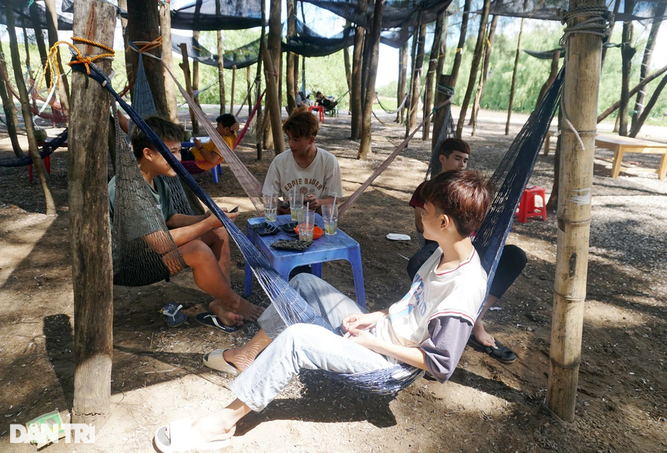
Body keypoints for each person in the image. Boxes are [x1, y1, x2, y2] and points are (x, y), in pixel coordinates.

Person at [153, 170, 491, 452]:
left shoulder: (464, 286)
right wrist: (375, 317)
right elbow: (416, 306)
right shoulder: (446, 250)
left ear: (444, 221)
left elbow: (441, 364)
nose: (420, 215)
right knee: (303, 284)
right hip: (379, 333)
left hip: (390, 364)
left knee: (298, 339)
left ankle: (222, 423)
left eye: (426, 211)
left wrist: (372, 343)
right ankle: (246, 355)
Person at [108, 116, 263, 328]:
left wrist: (208, 218)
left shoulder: (158, 179)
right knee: (197, 249)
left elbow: (171, 218)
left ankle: (222, 304)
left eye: (179, 150)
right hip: (131, 265)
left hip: (152, 253)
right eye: (171, 152)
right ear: (148, 153)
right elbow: (160, 243)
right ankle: (233, 302)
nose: (179, 159)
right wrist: (207, 224)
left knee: (219, 233)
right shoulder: (128, 188)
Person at [407, 138, 526, 364]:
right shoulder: (427, 189)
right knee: (417, 262)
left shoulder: (470, 192)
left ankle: (474, 319)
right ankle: (433, 321)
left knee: (515, 256)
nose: (462, 164)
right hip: (439, 243)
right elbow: (422, 226)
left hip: (471, 245)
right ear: (442, 159)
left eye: (465, 160)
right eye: (457, 158)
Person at [262, 107, 343, 213]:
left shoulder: (328, 161)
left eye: (296, 140)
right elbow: (268, 194)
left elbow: (334, 199)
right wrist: (282, 206)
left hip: (316, 216)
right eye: (289, 138)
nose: (291, 144)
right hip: (289, 216)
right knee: (263, 214)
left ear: (311, 140)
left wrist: (318, 202)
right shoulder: (280, 162)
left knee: (329, 211)